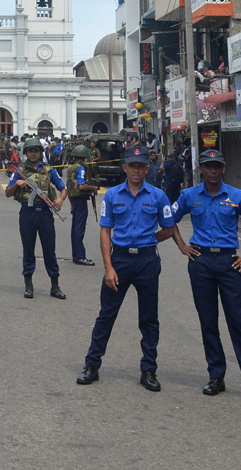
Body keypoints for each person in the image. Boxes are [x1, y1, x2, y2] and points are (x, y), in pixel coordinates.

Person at [168, 148, 241, 404]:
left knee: (238, 322)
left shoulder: (236, 196)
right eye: (208, 166)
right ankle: (216, 376)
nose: (213, 170)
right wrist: (182, 246)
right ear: (201, 169)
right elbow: (169, 218)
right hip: (200, 261)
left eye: (217, 166)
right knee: (208, 321)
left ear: (223, 168)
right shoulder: (189, 195)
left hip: (229, 262)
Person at [77, 144, 179, 391]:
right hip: (120, 260)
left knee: (149, 319)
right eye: (131, 166)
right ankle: (92, 365)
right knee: (106, 316)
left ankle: (149, 370)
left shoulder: (158, 196)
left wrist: (148, 240)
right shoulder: (112, 196)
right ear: (124, 168)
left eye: (141, 166)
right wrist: (108, 267)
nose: (136, 170)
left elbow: (169, 227)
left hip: (146, 262)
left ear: (147, 168)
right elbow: (105, 231)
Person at [5, 138, 68, 298]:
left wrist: (60, 199)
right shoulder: (19, 171)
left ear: (40, 152)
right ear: (26, 153)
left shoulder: (48, 170)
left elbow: (63, 188)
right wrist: (16, 183)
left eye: (36, 150)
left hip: (45, 214)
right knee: (28, 250)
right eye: (30, 150)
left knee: (49, 250)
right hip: (27, 213)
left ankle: (55, 286)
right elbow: (7, 192)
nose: (33, 153)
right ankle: (28, 284)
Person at [66, 144, 97, 267]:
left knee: (75, 229)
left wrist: (71, 204)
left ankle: (76, 255)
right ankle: (80, 256)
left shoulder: (70, 168)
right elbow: (81, 186)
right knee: (79, 229)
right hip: (81, 200)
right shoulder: (81, 169)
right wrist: (93, 188)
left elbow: (68, 188)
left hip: (74, 200)